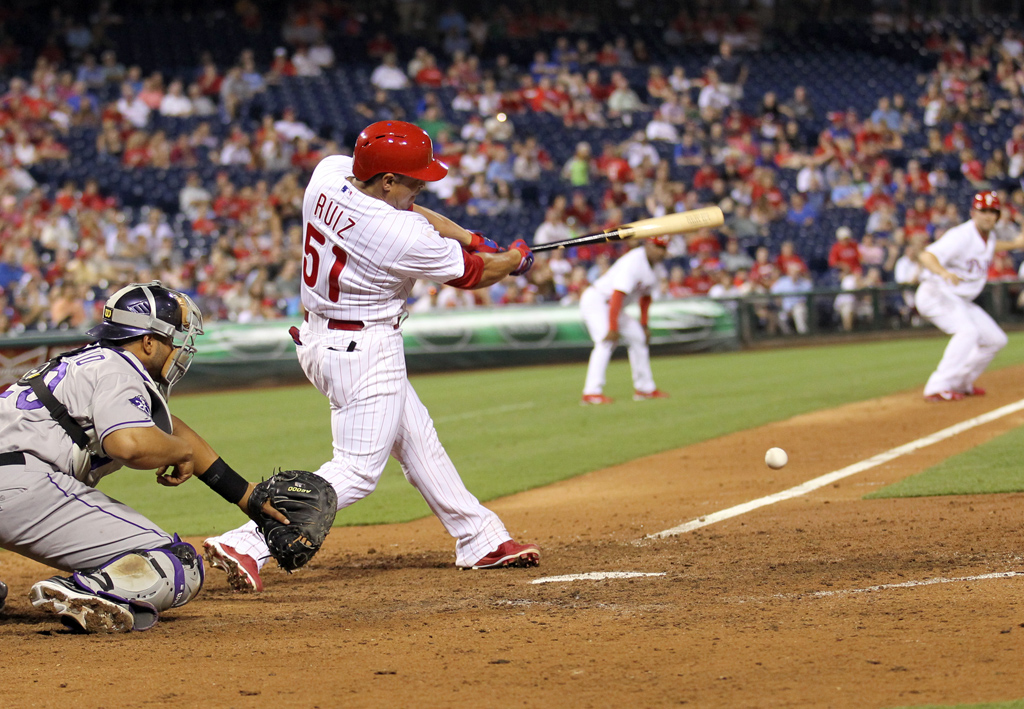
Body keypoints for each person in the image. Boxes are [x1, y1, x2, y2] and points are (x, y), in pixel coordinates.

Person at [203, 121, 540, 591]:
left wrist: (468, 237)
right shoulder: (398, 233)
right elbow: (476, 276)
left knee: (419, 440)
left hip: (323, 338)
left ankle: (479, 537)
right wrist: (513, 260)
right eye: (414, 180)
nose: (421, 187)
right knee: (357, 471)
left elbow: (414, 211)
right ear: (386, 180)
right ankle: (246, 541)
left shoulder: (329, 174)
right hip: (364, 349)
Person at [0, 282, 288, 633]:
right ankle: (88, 590)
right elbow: (129, 445)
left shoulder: (86, 361)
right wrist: (180, 452)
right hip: (18, 486)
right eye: (172, 339)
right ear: (148, 342)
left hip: (12, 477)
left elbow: (170, 429)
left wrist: (245, 494)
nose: (179, 348)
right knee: (177, 562)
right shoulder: (119, 368)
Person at [915, 191, 1024, 401]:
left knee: (995, 340)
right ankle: (937, 386)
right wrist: (943, 272)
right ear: (973, 213)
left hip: (958, 299)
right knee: (967, 332)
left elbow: (989, 247)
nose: (988, 216)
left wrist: (1015, 244)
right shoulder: (961, 236)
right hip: (936, 293)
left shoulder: (987, 237)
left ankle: (961, 382)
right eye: (984, 211)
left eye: (993, 211)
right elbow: (926, 255)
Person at [580, 238, 670, 405]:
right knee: (606, 342)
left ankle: (645, 389)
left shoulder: (657, 268)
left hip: (613, 306)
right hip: (598, 300)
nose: (660, 251)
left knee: (638, 337)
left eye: (663, 248)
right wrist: (613, 327)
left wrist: (644, 325)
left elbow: (646, 298)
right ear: (647, 245)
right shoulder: (634, 261)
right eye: (657, 246)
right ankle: (591, 392)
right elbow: (617, 295)